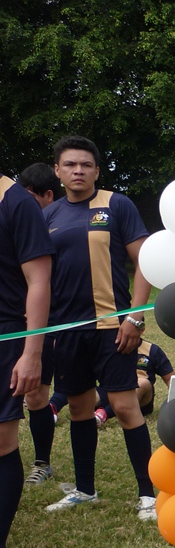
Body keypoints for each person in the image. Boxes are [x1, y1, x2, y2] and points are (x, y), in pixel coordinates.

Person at [42, 136, 155, 521]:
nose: (78, 171)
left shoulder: (116, 204)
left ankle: (148, 495)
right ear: (57, 170)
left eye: (86, 165)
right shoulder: (49, 216)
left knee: (124, 406)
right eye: (70, 164)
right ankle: (85, 490)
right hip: (67, 330)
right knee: (78, 407)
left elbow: (146, 262)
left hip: (113, 327)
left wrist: (135, 317)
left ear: (97, 171)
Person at [0, 174, 53, 548]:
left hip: (6, 336)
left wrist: (31, 353)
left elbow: (39, 281)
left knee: (2, 443)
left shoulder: (16, 202)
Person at [17, 165, 62, 486]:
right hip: (12, 319)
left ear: (48, 196)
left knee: (35, 395)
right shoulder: (14, 221)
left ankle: (42, 462)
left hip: (49, 323)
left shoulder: (58, 227)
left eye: (31, 198)